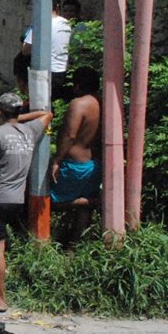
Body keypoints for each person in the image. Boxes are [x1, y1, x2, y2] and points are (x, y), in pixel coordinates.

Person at [0, 93, 54, 314]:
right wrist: (18, 118)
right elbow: (47, 114)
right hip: (16, 199)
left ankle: (0, 299)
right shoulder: (30, 131)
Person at [50, 67, 102, 233]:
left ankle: (95, 201)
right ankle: (73, 246)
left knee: (49, 200)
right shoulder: (102, 103)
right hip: (94, 163)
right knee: (84, 207)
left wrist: (57, 159)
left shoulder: (78, 104)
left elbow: (70, 135)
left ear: (77, 85)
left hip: (74, 164)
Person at [22, 0, 74, 100]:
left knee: (41, 106)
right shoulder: (67, 23)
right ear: (58, 7)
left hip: (45, 73)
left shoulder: (41, 23)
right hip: (64, 72)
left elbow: (25, 50)